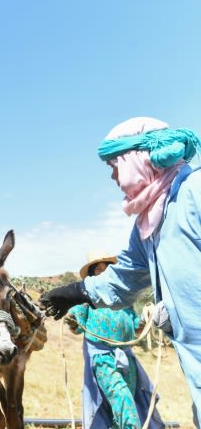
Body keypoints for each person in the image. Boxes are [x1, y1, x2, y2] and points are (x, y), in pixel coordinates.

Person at [39, 116, 201, 427]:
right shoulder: (150, 225)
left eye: (115, 164)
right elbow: (123, 277)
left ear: (140, 159)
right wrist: (78, 291)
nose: (113, 175)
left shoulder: (194, 192)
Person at [63, 251, 164, 429]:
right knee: (123, 401)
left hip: (127, 360)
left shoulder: (124, 300)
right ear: (93, 274)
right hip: (102, 360)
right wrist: (71, 319)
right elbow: (76, 325)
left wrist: (144, 318)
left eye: (107, 269)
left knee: (119, 406)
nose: (102, 273)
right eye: (98, 270)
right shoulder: (88, 300)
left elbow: (134, 328)